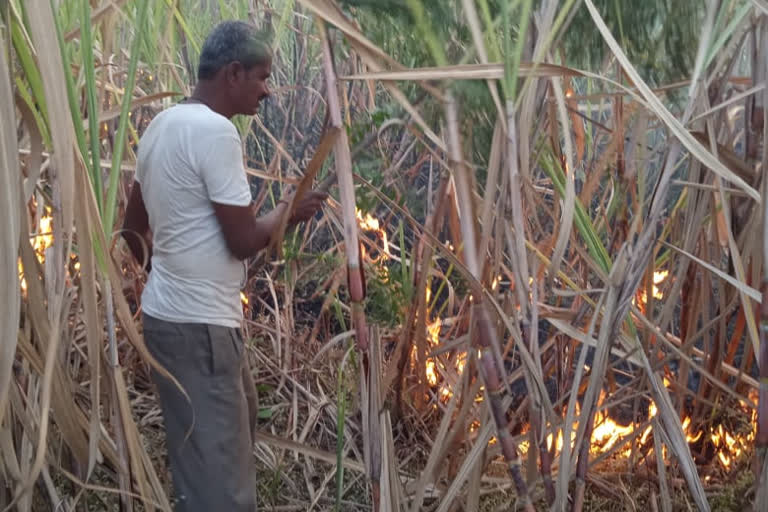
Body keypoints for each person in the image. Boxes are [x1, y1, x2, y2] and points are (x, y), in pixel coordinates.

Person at [122, 20, 327, 511]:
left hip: (170, 320)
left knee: (207, 455)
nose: (267, 91)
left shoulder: (160, 125)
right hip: (201, 329)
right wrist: (288, 211)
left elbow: (131, 230)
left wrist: (169, 277)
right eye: (261, 76)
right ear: (233, 73)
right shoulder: (217, 133)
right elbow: (244, 241)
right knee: (219, 487)